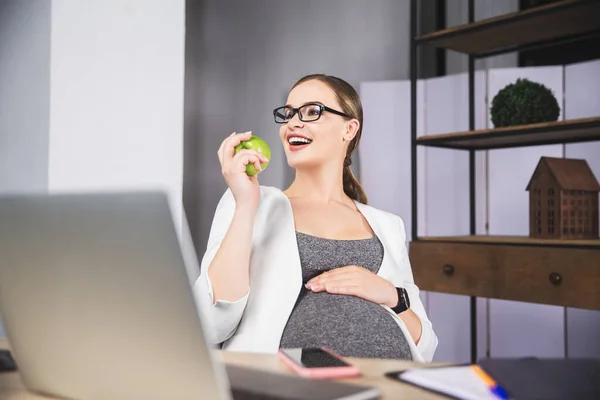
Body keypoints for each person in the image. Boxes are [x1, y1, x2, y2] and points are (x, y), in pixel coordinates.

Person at [194, 74, 437, 362]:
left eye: (312, 111)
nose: (293, 123)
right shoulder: (250, 203)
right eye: (288, 114)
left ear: (349, 129)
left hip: (390, 383)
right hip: (288, 387)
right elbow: (209, 323)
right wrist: (246, 205)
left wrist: (390, 295)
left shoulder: (388, 225)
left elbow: (426, 344)